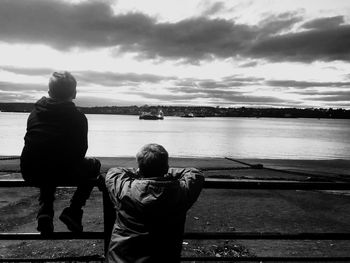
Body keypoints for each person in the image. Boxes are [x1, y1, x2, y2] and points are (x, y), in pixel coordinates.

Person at [20, 71, 101, 234]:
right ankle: (74, 210)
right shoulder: (78, 118)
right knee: (94, 165)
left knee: (48, 157)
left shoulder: (35, 112)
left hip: (29, 170)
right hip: (62, 171)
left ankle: (45, 209)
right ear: (75, 94)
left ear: (49, 92)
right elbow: (80, 152)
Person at [104, 143, 204, 263]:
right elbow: (195, 173)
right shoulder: (180, 192)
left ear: (140, 168)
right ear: (166, 167)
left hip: (121, 258)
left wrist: (139, 172)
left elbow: (114, 172)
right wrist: (167, 172)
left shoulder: (125, 189)